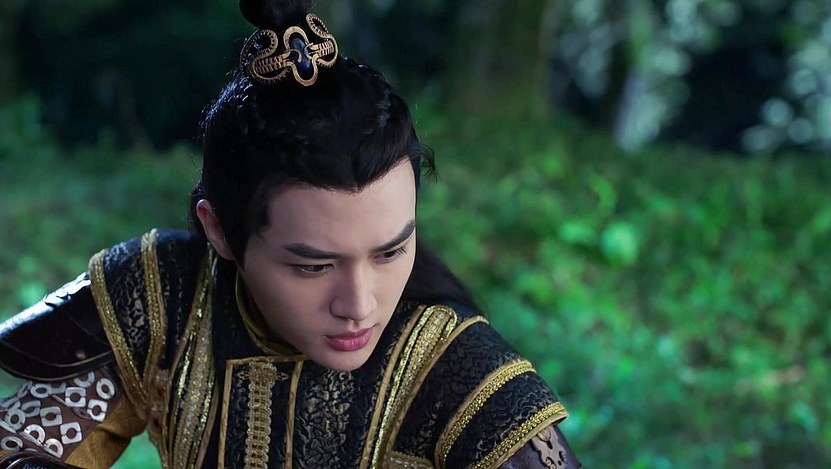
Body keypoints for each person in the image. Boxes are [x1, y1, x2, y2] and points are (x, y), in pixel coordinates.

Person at [0, 0, 581, 467]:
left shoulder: (459, 375)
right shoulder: (164, 299)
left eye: (390, 251)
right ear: (219, 231)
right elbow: (19, 446)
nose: (359, 305)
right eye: (312, 266)